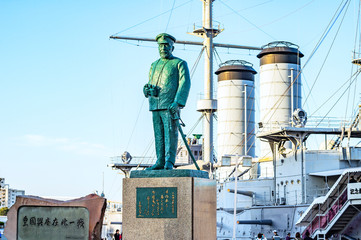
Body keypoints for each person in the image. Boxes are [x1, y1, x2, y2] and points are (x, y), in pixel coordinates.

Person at [143, 33, 191, 170]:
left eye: (166, 46)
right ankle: (160, 160)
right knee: (158, 134)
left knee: (170, 133)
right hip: (155, 104)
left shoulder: (179, 63)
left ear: (172, 48)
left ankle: (169, 161)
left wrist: (177, 102)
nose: (163, 48)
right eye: (161, 46)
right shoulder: (154, 65)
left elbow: (184, 83)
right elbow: (150, 82)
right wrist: (146, 89)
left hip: (170, 105)